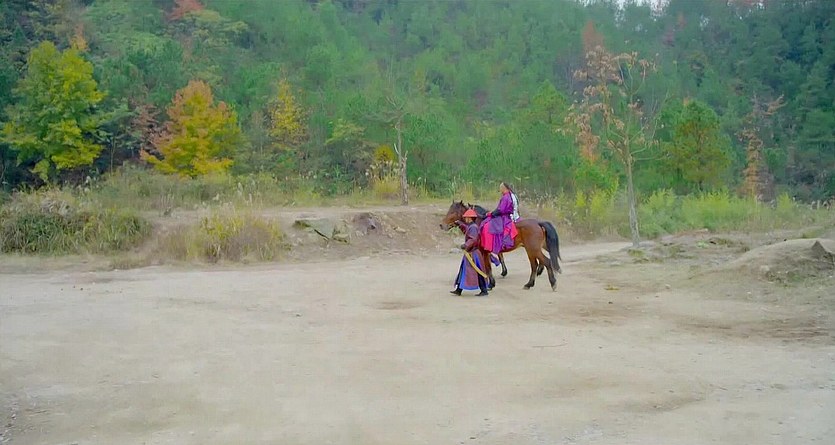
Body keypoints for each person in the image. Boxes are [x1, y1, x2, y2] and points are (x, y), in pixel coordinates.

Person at [451, 208, 489, 297]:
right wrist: (460, 224)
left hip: (473, 254)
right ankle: (458, 290)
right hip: (470, 253)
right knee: (463, 270)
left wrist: (465, 245)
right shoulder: (472, 226)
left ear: (470, 218)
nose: (465, 219)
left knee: (478, 272)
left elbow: (473, 239)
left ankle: (484, 290)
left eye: (466, 217)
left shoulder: (473, 227)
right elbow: (467, 230)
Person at [482, 182, 519, 254]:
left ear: (504, 188)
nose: (500, 189)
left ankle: (494, 245)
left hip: (504, 217)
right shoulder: (508, 196)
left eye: (500, 188)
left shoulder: (506, 197)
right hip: (504, 215)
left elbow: (501, 210)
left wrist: (491, 214)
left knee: (487, 226)